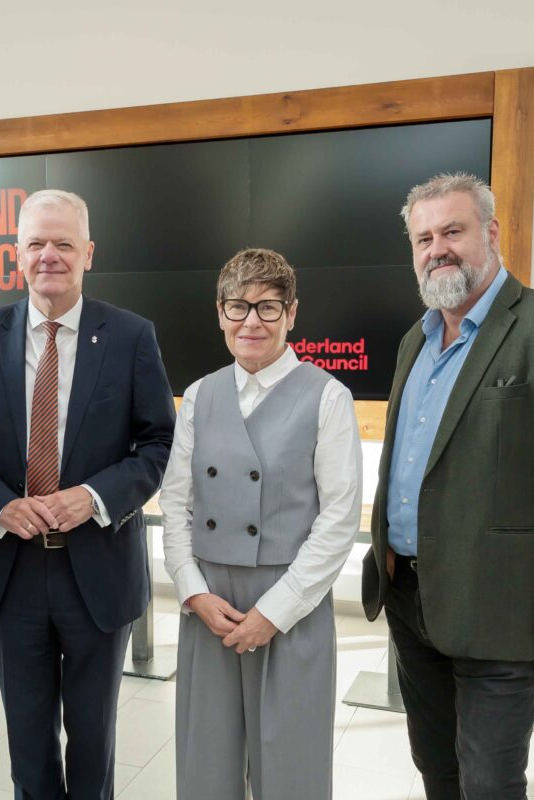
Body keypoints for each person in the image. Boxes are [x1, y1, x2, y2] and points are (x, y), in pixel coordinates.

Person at [362, 173, 534, 799]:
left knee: (490, 781)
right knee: (437, 768)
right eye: (424, 238)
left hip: (504, 609)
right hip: (411, 598)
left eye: (453, 230)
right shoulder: (413, 343)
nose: (437, 248)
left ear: (492, 233)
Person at [0, 189, 175, 799]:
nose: (50, 255)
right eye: (36, 243)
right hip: (10, 574)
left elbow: (157, 444)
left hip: (96, 570)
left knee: (93, 740)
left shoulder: (129, 337)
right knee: (28, 741)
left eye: (63, 243)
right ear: (16, 253)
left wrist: (93, 497)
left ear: (88, 252)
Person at [161, 248, 363, 800]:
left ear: (292, 314)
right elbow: (176, 503)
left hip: (291, 603)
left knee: (292, 769)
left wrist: (274, 613)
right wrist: (191, 590)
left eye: (268, 307)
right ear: (220, 313)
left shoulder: (327, 396)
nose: (252, 321)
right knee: (206, 767)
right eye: (238, 306)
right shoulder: (200, 395)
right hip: (210, 607)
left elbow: (339, 518)